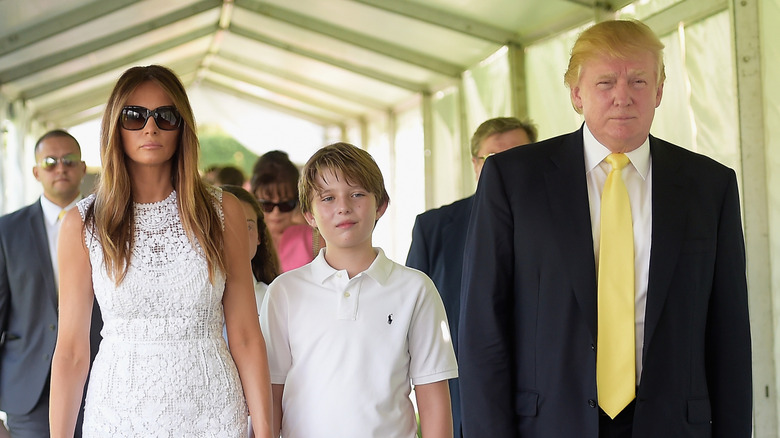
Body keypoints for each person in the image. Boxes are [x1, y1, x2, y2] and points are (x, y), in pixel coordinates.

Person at [459, 19, 751, 438]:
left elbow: (730, 335)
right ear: (576, 94)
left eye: (638, 80)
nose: (622, 97)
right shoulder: (513, 179)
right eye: (605, 82)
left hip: (672, 425)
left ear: (660, 91)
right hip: (549, 424)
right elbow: (483, 327)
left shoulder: (709, 185)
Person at [49, 65, 272, 437]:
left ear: (182, 126)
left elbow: (246, 334)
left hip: (212, 412)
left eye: (165, 117)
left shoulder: (223, 211)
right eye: (134, 116)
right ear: (114, 127)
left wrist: (265, 432)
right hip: (118, 414)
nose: (150, 128)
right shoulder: (83, 222)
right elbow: (71, 351)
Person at [261, 142, 458, 438]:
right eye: (327, 198)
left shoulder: (416, 289)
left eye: (357, 194)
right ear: (309, 215)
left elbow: (432, 394)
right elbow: (271, 393)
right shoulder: (285, 292)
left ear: (380, 204)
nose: (343, 207)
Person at [406, 116, 536, 437]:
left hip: (543, 400)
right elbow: (410, 317)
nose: (509, 169)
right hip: (462, 401)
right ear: (475, 165)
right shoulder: (434, 228)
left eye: (520, 158)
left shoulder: (566, 224)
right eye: (494, 159)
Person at [0, 130, 102, 438]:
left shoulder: (110, 223)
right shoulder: (7, 231)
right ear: (36, 171)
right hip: (29, 391)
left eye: (69, 160)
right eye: (50, 161)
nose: (61, 168)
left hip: (98, 379)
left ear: (83, 168)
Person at [250, 151, 322, 272]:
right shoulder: (243, 239)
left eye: (286, 205)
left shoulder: (315, 239)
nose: (276, 212)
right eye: (267, 205)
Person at [220, 184, 280, 314]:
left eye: (247, 227)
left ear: (259, 236)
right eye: (224, 226)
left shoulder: (275, 300)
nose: (237, 236)